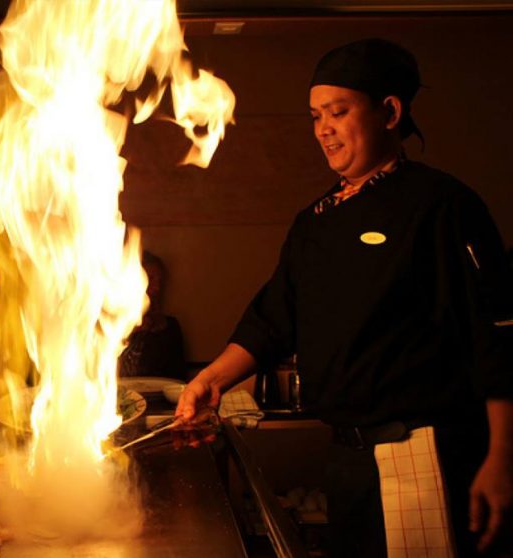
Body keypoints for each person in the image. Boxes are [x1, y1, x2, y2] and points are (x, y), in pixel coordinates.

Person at [176, 38, 513, 557]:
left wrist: (503, 458)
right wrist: (208, 380)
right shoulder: (316, 220)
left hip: (418, 452)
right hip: (343, 455)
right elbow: (272, 319)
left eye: (338, 112)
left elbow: (495, 332)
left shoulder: (441, 205)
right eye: (315, 117)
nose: (323, 130)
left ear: (390, 112)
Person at [119, 251, 186, 380]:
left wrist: (153, 332)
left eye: (160, 282)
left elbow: (177, 380)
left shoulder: (169, 328)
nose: (156, 288)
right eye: (150, 280)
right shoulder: (113, 328)